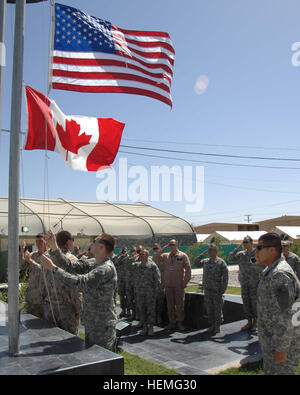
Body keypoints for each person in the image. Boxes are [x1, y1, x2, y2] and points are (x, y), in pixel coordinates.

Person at [40, 230, 118, 352]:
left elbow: (80, 283)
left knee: (101, 360)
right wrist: (54, 245)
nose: (91, 244)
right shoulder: (94, 262)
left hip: (102, 324)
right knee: (92, 358)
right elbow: (70, 265)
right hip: (93, 321)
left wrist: (53, 268)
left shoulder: (104, 269)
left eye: (94, 241)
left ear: (102, 247)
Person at [256, 232, 300, 375]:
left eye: (259, 247)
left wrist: (281, 348)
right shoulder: (271, 271)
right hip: (272, 341)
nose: (256, 251)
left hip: (281, 345)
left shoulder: (280, 275)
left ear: (272, 250)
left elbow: (289, 314)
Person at [228, 236, 264, 331]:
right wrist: (237, 249)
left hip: (254, 282)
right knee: (246, 303)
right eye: (243, 242)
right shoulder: (241, 254)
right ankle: (249, 322)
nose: (245, 243)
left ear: (252, 243)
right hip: (244, 282)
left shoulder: (257, 253)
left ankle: (256, 323)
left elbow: (264, 265)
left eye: (246, 241)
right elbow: (230, 258)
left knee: (254, 302)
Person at [160, 239, 191, 331]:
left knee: (180, 305)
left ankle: (180, 323)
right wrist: (162, 249)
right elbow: (155, 258)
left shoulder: (183, 256)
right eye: (170, 244)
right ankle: (172, 323)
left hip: (178, 285)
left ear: (177, 245)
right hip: (168, 284)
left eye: (173, 244)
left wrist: (185, 282)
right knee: (170, 305)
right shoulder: (165, 256)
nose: (171, 246)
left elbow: (188, 269)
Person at [201, 245, 228, 334]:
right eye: (209, 250)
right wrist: (202, 254)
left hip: (217, 289)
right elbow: (196, 262)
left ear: (216, 251)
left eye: (212, 250)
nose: (210, 251)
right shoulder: (205, 261)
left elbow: (225, 276)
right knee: (209, 308)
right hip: (207, 289)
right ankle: (212, 324)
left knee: (217, 308)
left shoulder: (221, 262)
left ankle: (217, 326)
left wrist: (223, 288)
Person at [134, 249, 161, 336]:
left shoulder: (152, 266)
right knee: (142, 310)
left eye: (143, 254)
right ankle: (145, 327)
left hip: (150, 292)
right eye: (140, 254)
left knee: (150, 310)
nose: (141, 255)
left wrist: (156, 291)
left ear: (147, 255)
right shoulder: (137, 266)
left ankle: (151, 327)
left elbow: (157, 279)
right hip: (140, 292)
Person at [19, 234, 46, 320]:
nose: (38, 244)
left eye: (41, 241)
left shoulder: (49, 256)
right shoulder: (33, 255)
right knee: (31, 321)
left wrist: (31, 261)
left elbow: (45, 270)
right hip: (32, 296)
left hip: (44, 297)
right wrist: (22, 251)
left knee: (44, 324)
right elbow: (22, 266)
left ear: (46, 242)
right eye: (37, 242)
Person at [151, 243, 165, 325]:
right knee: (152, 301)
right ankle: (153, 316)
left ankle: (159, 316)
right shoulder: (152, 258)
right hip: (153, 283)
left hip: (161, 283)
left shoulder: (164, 257)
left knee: (160, 301)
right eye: (154, 249)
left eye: (157, 248)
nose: (155, 250)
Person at [114, 247, 129, 318]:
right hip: (121, 280)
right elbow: (115, 262)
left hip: (128, 280)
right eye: (123, 251)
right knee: (122, 296)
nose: (124, 253)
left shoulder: (129, 258)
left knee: (129, 296)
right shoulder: (120, 258)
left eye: (125, 251)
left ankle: (129, 311)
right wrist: (120, 255)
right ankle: (123, 310)